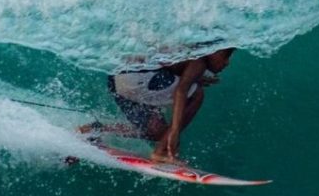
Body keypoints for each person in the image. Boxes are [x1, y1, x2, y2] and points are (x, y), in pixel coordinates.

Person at [92, 48, 235, 163]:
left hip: (117, 79)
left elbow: (167, 66)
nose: (227, 62)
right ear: (215, 51)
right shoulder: (200, 61)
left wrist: (194, 78)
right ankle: (160, 151)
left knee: (158, 132)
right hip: (135, 79)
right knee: (197, 94)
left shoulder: (190, 52)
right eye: (226, 55)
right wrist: (175, 132)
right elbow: (181, 91)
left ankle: (97, 129)